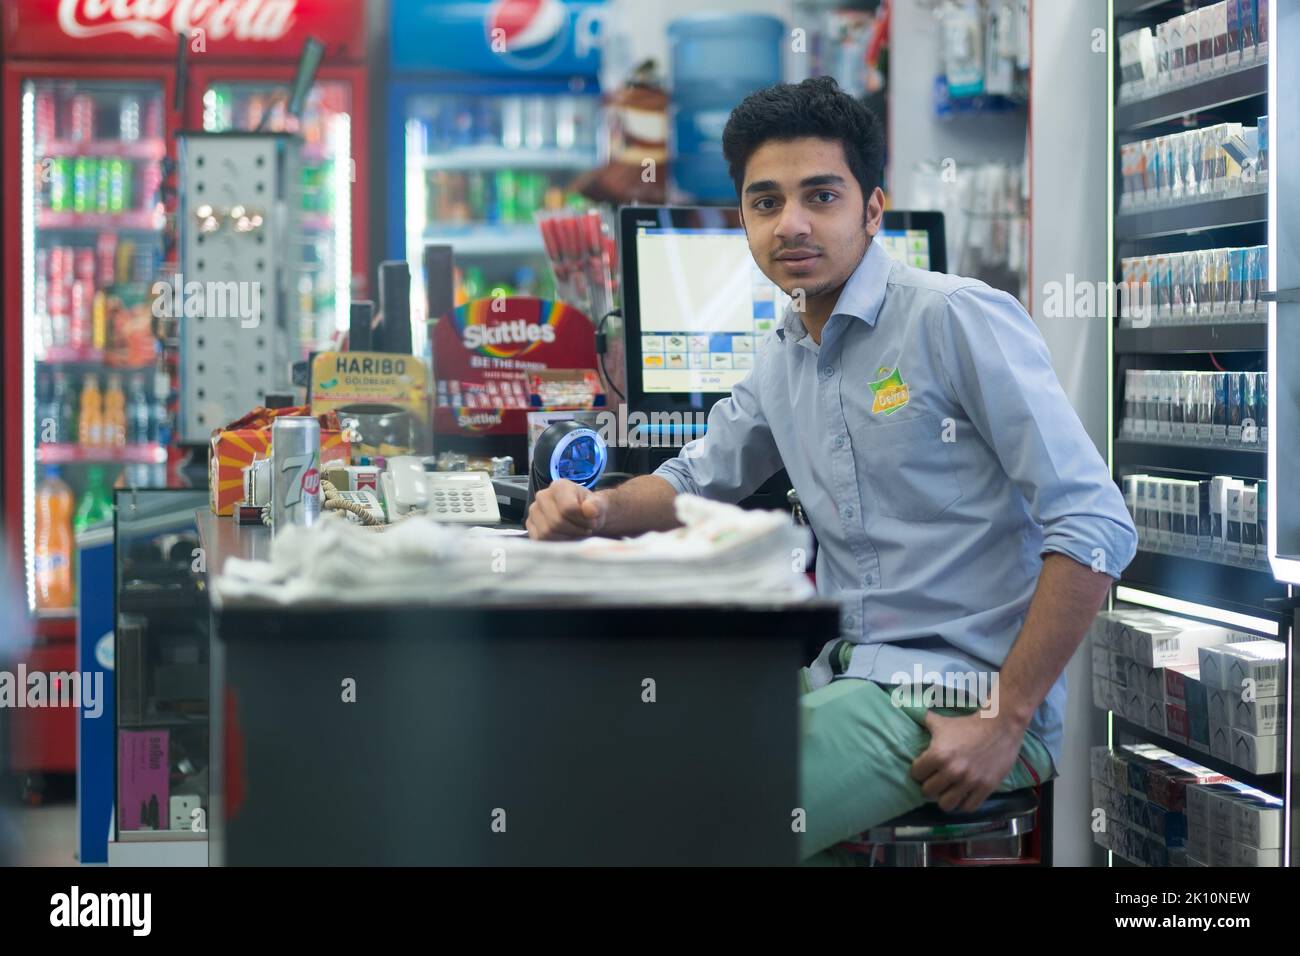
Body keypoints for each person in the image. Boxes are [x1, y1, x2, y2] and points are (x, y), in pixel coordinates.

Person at [526, 76, 1136, 862]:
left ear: (872, 210)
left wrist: (1005, 718)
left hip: (958, 698)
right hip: (843, 679)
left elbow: (1095, 524)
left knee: (677, 816)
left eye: (821, 195)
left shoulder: (954, 318)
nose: (793, 224)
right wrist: (590, 511)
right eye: (766, 202)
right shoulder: (785, 357)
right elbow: (691, 479)